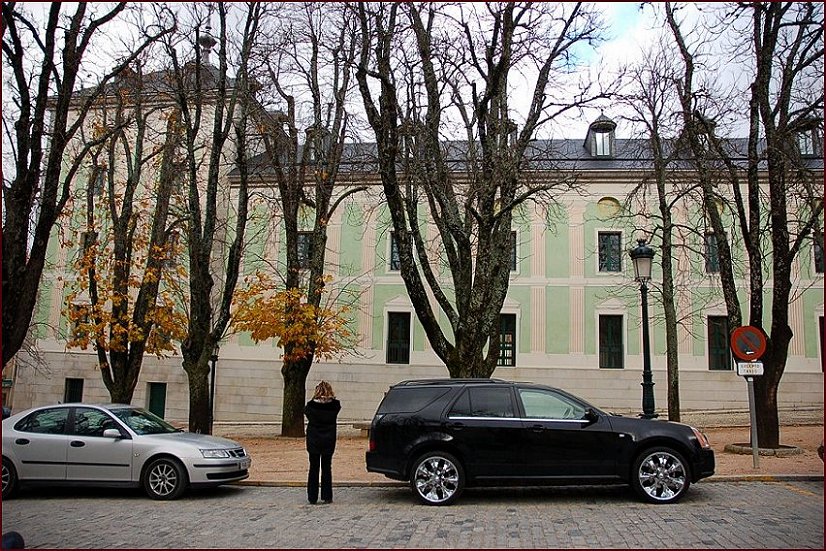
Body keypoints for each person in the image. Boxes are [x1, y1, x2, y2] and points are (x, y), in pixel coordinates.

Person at [304, 380, 341, 504]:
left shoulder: (310, 407)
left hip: (314, 439)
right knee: (326, 468)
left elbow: (307, 412)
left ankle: (312, 496)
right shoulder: (335, 406)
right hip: (329, 440)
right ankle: (327, 495)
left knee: (313, 468)